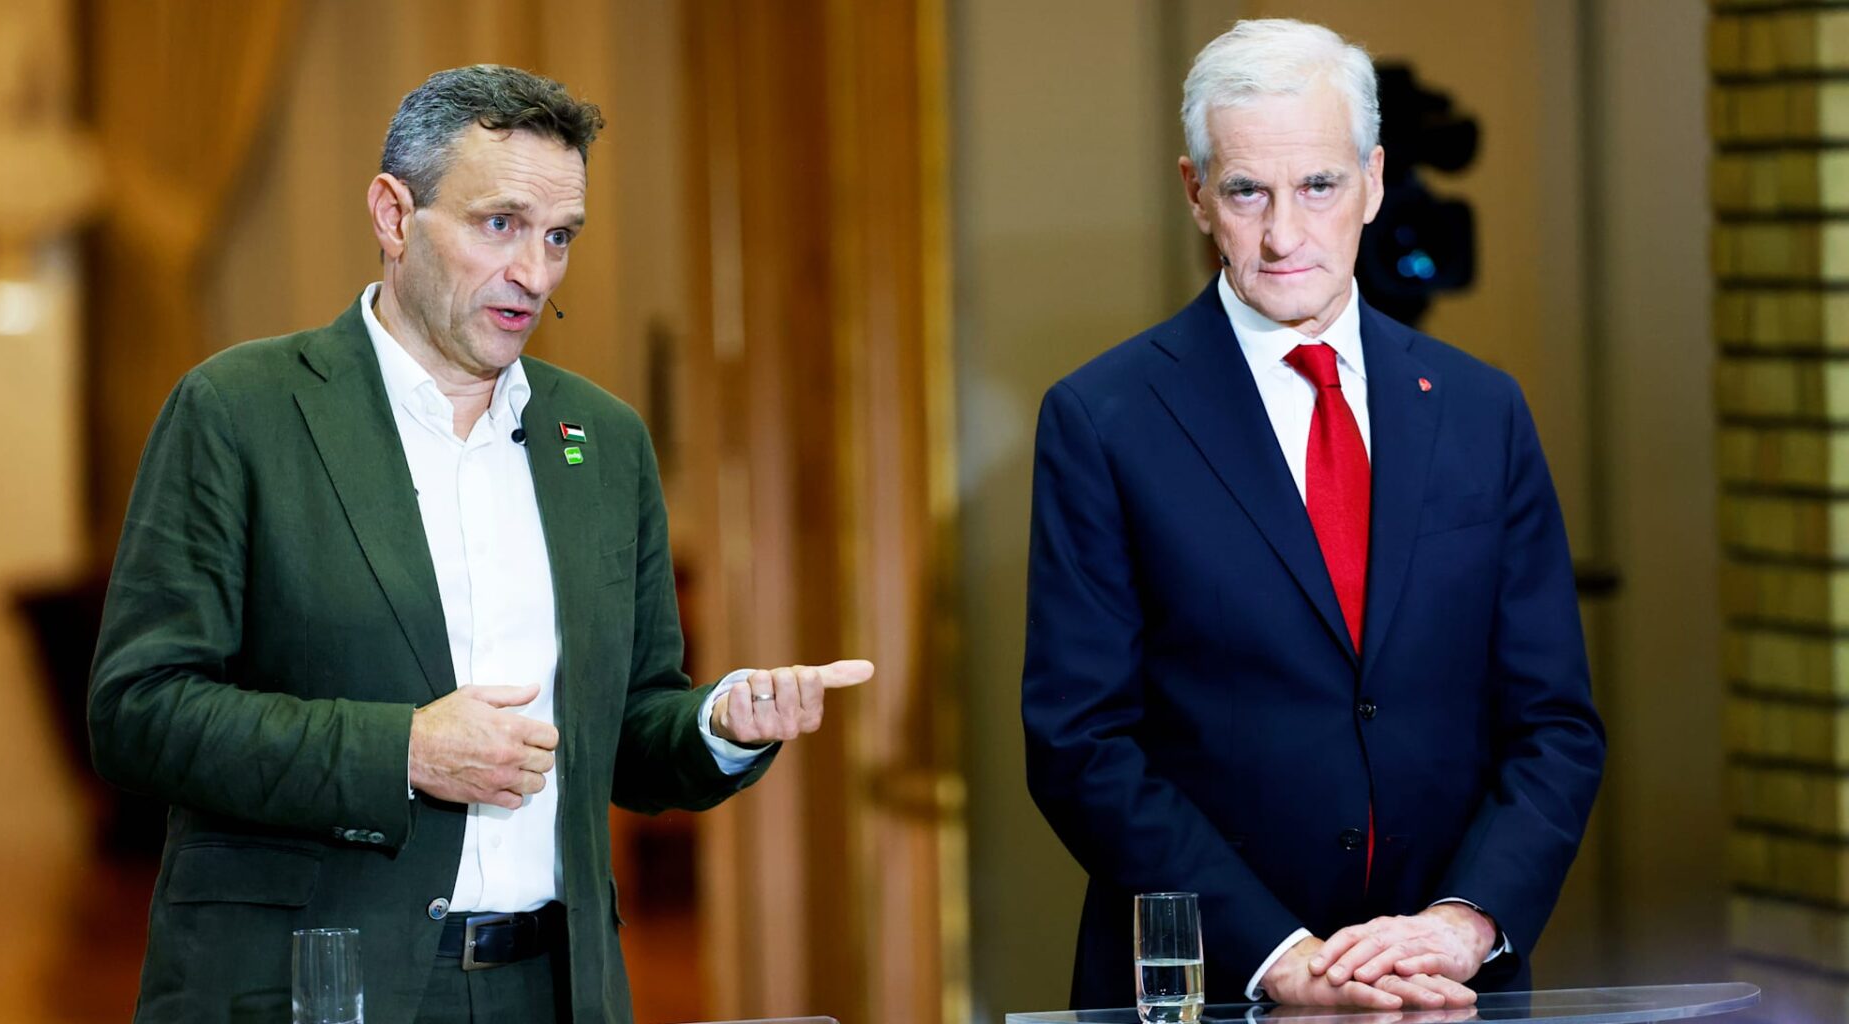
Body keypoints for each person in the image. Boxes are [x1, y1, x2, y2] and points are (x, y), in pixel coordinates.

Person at [88, 64, 870, 1024]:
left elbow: (628, 731)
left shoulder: (603, 440)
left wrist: (719, 725)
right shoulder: (239, 410)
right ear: (392, 213)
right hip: (312, 984)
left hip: (552, 986)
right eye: (499, 224)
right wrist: (403, 751)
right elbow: (138, 712)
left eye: (558, 238)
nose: (534, 274)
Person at [1021, 19, 1605, 1012]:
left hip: (1440, 987)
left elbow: (1552, 722)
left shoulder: (1481, 409)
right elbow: (1080, 743)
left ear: (1373, 183)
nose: (1283, 234)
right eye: (1248, 190)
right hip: (1213, 984)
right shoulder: (1103, 418)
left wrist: (1464, 923)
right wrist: (1279, 955)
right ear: (1197, 193)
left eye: (1319, 188)